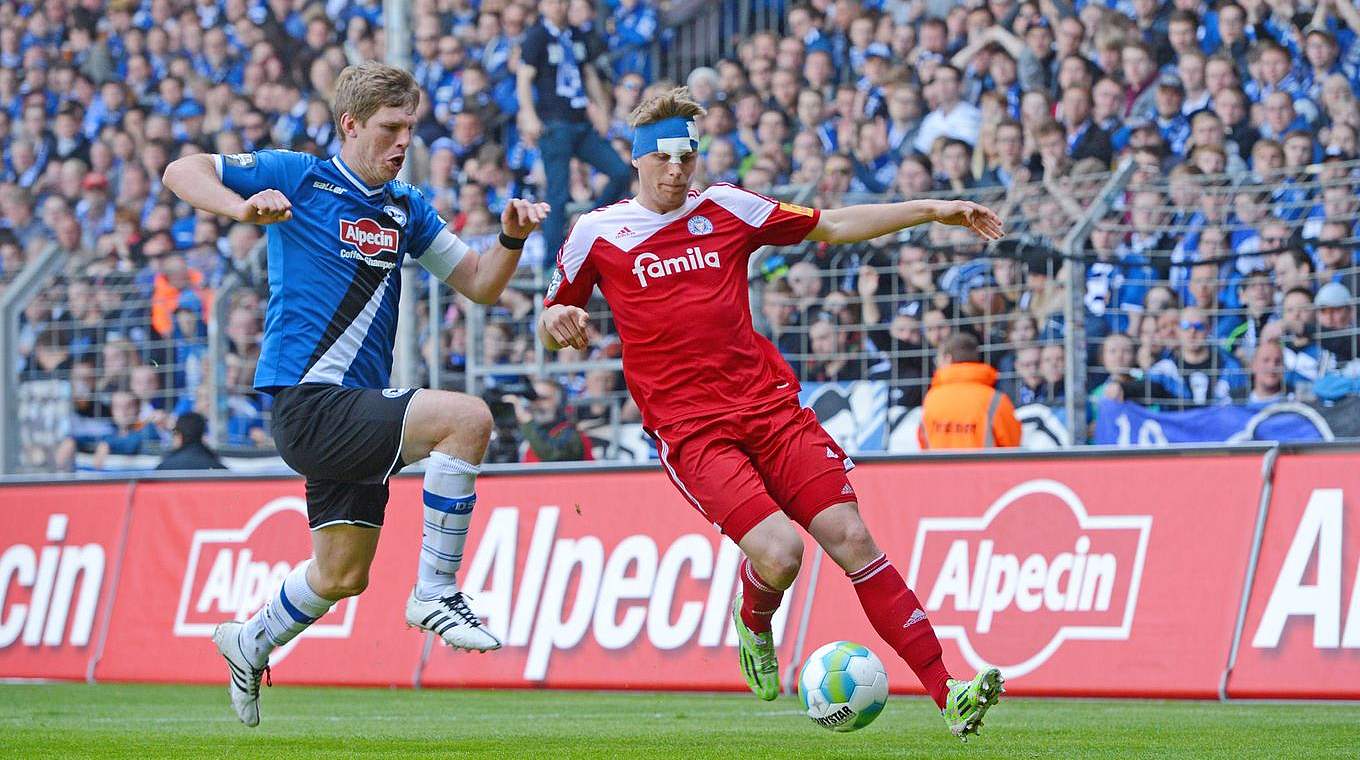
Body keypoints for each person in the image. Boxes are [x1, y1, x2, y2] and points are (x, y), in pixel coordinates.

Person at [536, 87, 1006, 740]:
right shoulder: (597, 232)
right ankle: (755, 622)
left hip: (772, 411)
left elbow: (833, 224)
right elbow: (550, 312)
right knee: (782, 555)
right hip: (694, 433)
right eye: (665, 158)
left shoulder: (728, 207)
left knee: (854, 540)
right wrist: (556, 317)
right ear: (638, 161)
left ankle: (947, 690)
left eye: (688, 156)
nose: (678, 170)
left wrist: (932, 210)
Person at [161, 62, 550, 728]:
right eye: (391, 128)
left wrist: (511, 237)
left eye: (411, 128)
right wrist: (242, 208)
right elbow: (182, 169)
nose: (404, 141)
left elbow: (481, 285)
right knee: (467, 418)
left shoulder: (406, 208)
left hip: (351, 412)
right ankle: (435, 591)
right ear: (351, 125)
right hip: (309, 402)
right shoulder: (299, 175)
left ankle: (249, 641)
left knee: (341, 576)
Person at [517, 0, 631, 261]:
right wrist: (529, 115)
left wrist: (602, 110)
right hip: (554, 125)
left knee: (620, 171)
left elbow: (588, 73)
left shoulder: (577, 35)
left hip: (581, 123)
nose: (559, 7)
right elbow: (524, 77)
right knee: (557, 195)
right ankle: (552, 263)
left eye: (563, 2)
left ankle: (587, 225)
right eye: (554, 2)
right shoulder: (537, 36)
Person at [918, 332, 1021, 449]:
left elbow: (923, 442)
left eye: (937, 359)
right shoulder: (995, 399)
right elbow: (1013, 445)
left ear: (948, 359)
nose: (936, 364)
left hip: (939, 467)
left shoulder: (932, 398)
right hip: (985, 466)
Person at [156, 412, 227, 470]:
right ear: (202, 435)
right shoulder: (219, 469)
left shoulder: (163, 469)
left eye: (175, 432)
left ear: (180, 435)